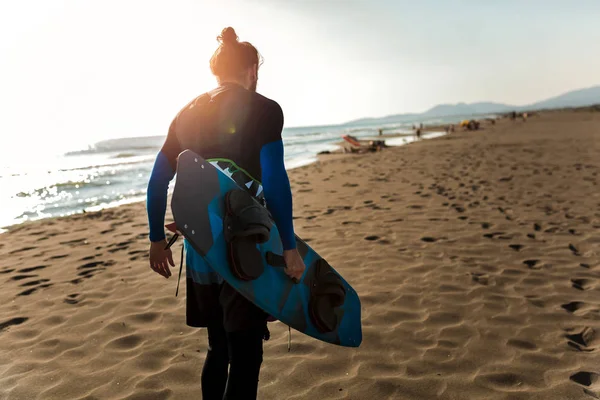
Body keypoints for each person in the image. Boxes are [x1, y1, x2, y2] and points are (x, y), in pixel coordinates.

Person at [145, 27, 305, 400]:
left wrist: (156, 239)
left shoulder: (186, 113)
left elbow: (157, 181)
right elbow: (276, 181)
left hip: (201, 248)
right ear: (252, 69)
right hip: (245, 245)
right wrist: (289, 245)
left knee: (218, 347)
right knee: (247, 353)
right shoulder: (264, 108)